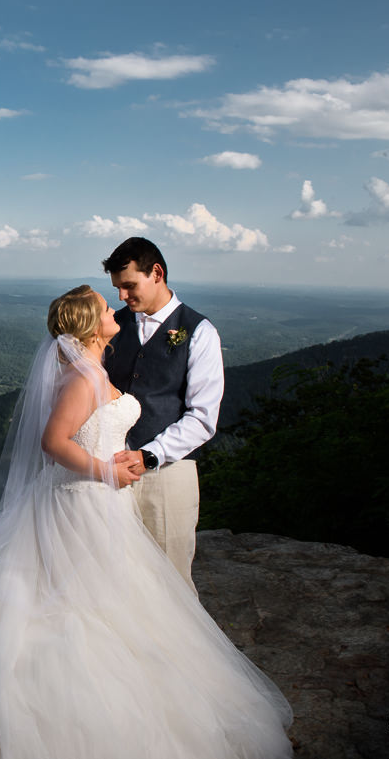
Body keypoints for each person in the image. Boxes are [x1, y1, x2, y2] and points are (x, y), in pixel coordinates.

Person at [0, 285, 292, 759]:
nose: (116, 307)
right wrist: (108, 472)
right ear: (93, 326)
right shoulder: (82, 379)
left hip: (100, 502)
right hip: (82, 502)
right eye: (105, 306)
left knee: (112, 602)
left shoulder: (92, 370)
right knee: (79, 607)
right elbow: (53, 443)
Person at [103, 237, 223, 595]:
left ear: (157, 273)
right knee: (115, 575)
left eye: (129, 285)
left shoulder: (200, 332)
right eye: (117, 289)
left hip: (169, 475)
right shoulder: (111, 326)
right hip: (111, 472)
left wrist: (149, 455)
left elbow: (202, 417)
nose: (122, 297)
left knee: (172, 578)